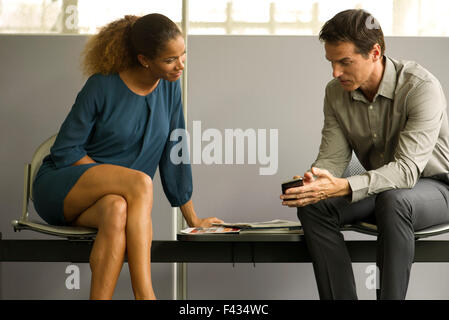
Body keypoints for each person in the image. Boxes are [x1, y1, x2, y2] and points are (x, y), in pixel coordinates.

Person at [32, 13, 223, 300]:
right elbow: (65, 150)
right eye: (170, 59)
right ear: (145, 59)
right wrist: (114, 180)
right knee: (139, 183)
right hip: (63, 186)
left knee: (117, 208)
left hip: (112, 200)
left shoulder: (170, 87)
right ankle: (145, 295)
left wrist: (192, 218)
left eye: (183, 55)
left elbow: (174, 153)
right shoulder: (102, 85)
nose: (180, 65)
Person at [280, 9, 449, 300]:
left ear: (375, 52)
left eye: (345, 62)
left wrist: (344, 185)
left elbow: (407, 171)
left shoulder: (421, 87)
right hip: (380, 191)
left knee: (395, 200)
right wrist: (316, 180)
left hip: (436, 188)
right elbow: (332, 159)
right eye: (331, 62)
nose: (335, 72)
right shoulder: (335, 92)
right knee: (314, 206)